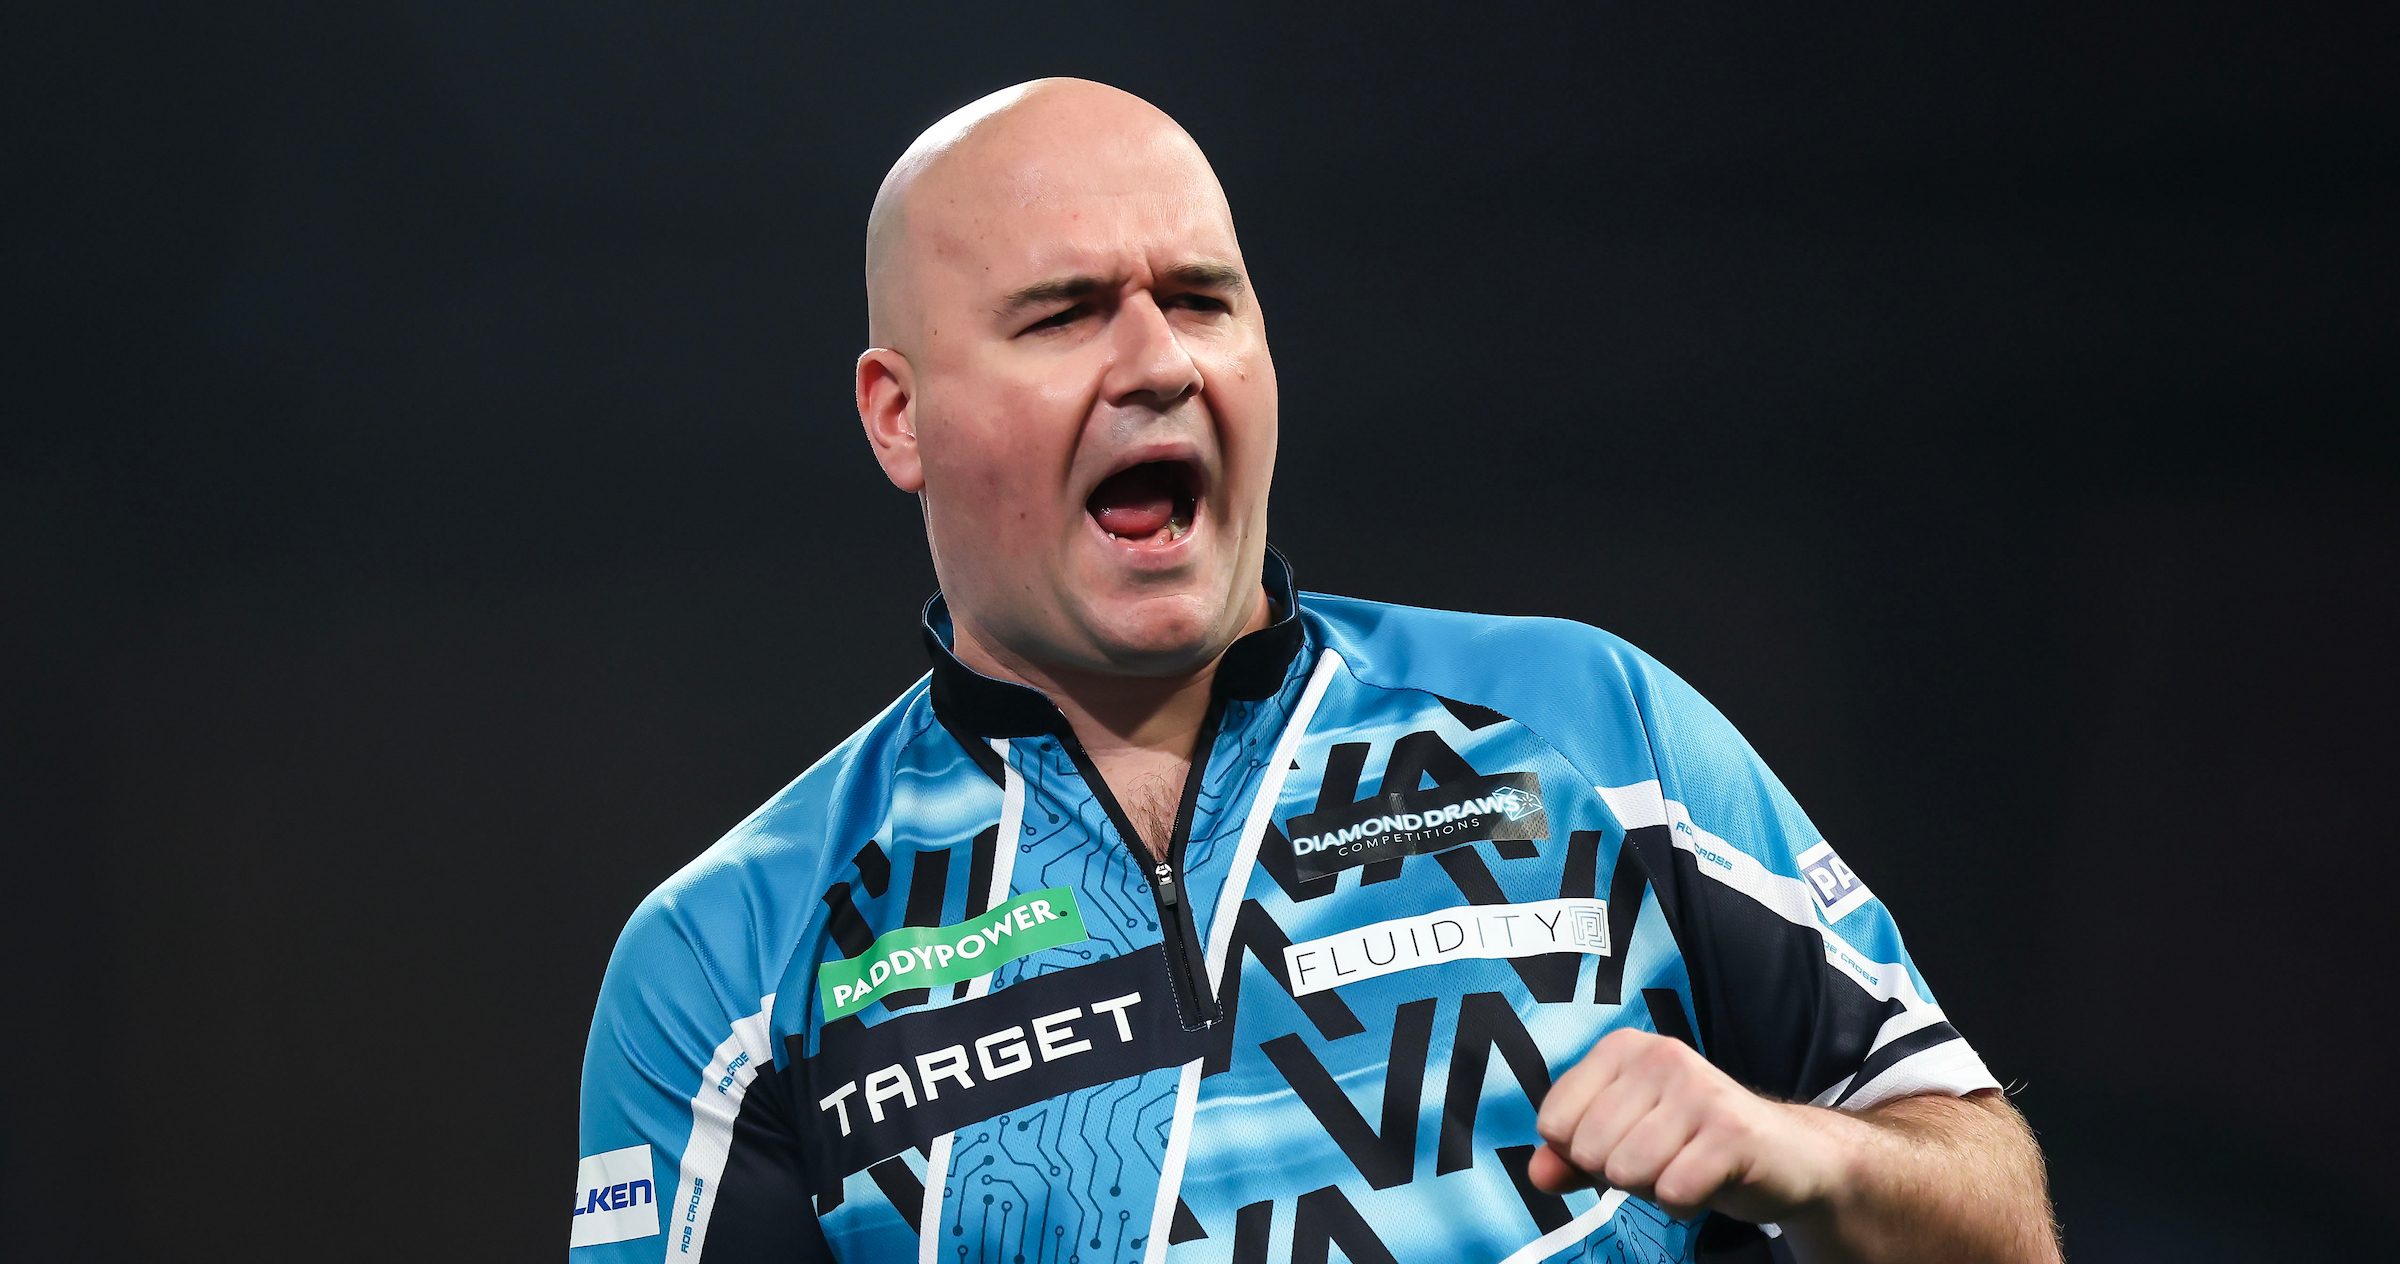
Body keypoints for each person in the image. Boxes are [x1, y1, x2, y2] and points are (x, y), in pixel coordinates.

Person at [572, 78, 2059, 1264]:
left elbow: (2002, 1219)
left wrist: (1810, 1158)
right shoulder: (733, 963)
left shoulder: (1593, 731)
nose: (1159, 363)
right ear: (899, 416)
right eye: (1066, 313)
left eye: (1201, 300)